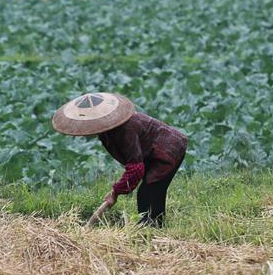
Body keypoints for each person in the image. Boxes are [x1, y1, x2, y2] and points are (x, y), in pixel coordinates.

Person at [52, 92, 188, 227]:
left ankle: (150, 227)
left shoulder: (125, 130)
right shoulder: (107, 132)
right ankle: (154, 225)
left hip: (170, 148)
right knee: (153, 190)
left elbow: (136, 168)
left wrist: (115, 192)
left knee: (149, 191)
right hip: (152, 152)